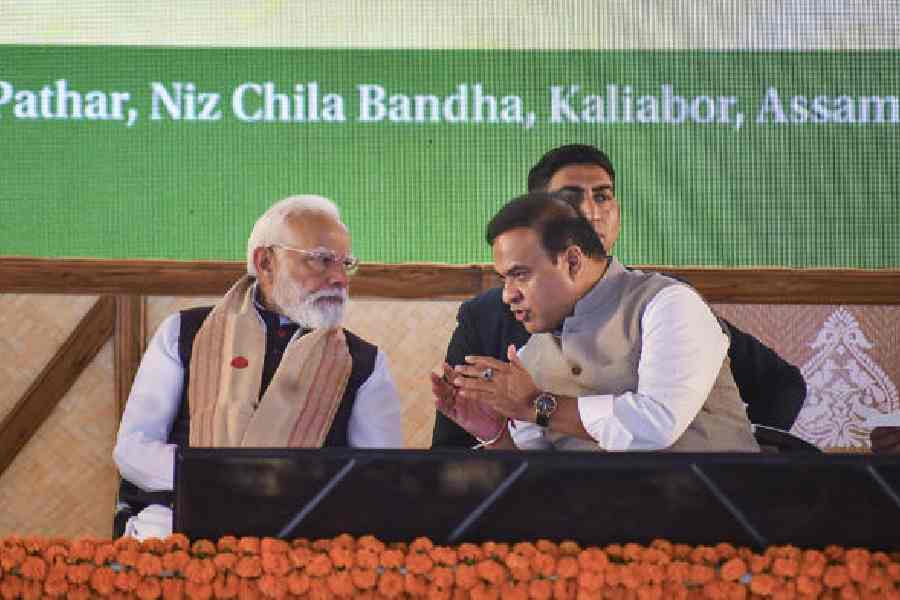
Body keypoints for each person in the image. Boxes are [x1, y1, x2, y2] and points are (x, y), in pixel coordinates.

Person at [431, 144, 805, 448]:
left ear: (572, 260)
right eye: (504, 279)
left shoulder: (667, 304)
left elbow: (656, 423)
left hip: (711, 524)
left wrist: (535, 404)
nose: (509, 295)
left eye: (520, 276)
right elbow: (532, 476)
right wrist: (493, 433)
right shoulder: (531, 352)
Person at [113, 195, 403, 538]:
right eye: (322, 261)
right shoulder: (184, 332)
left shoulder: (364, 363)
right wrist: (221, 479)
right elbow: (133, 448)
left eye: (346, 263)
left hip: (302, 530)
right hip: (179, 516)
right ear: (265, 262)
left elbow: (379, 476)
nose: (339, 278)